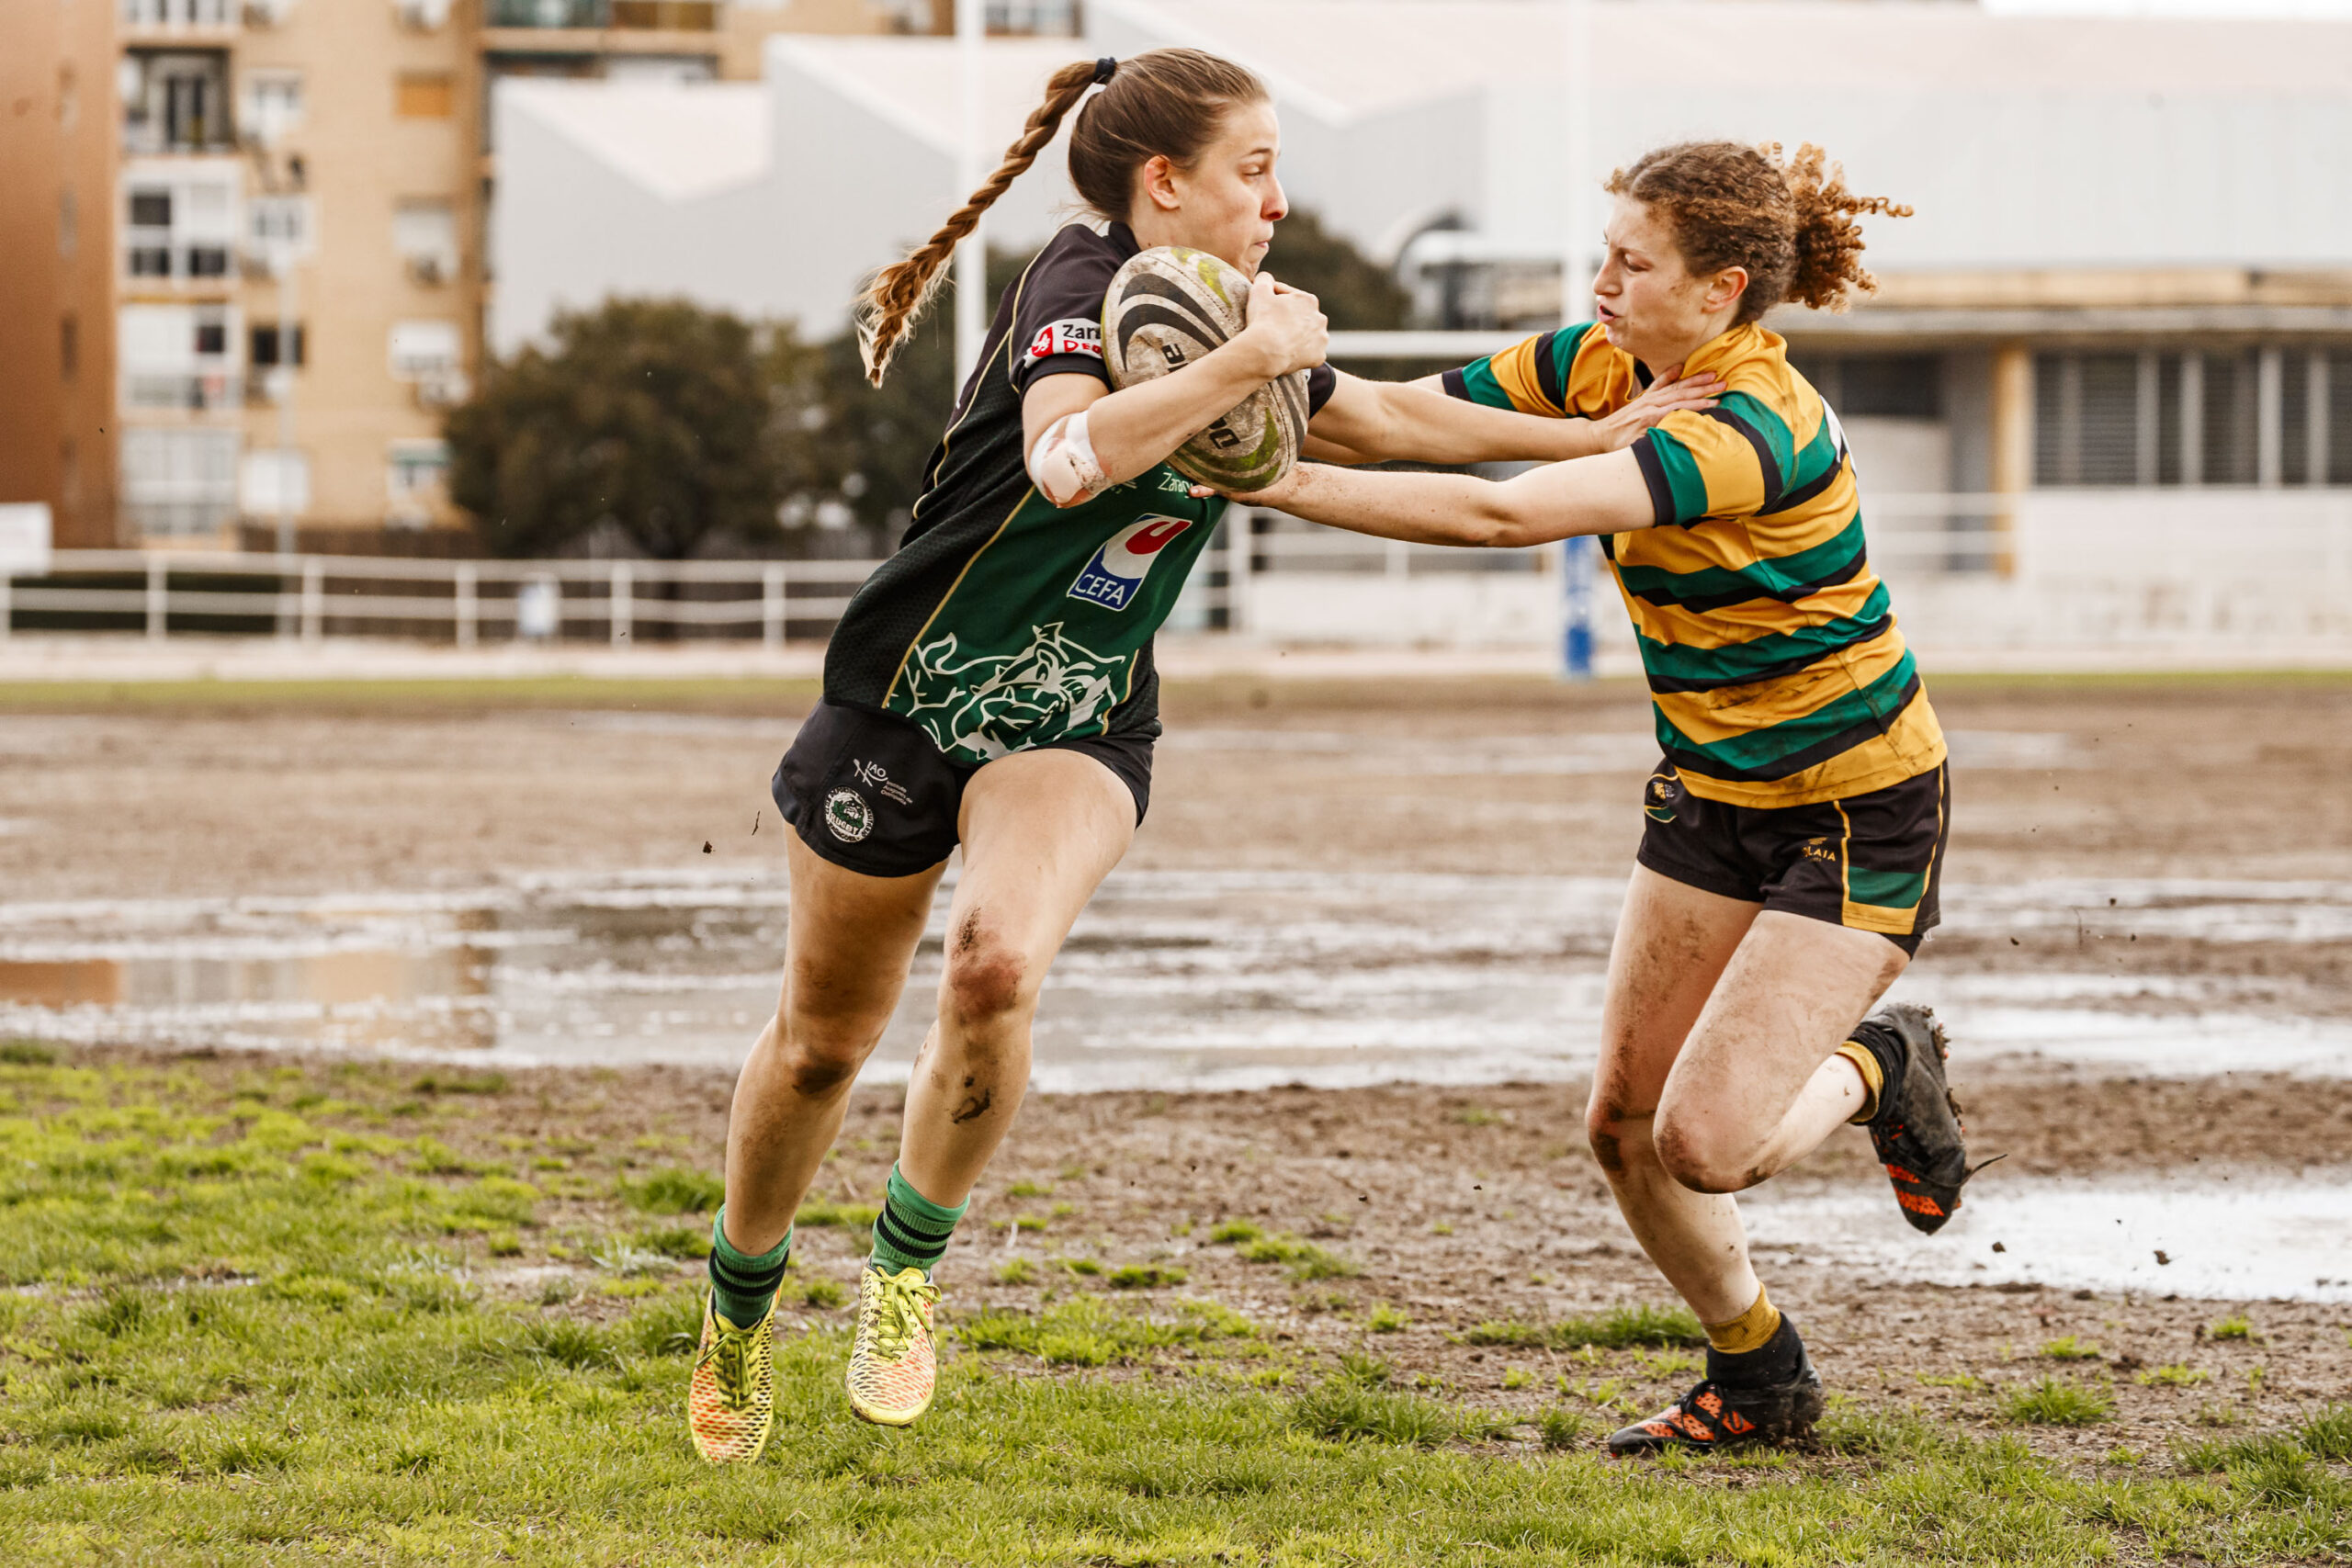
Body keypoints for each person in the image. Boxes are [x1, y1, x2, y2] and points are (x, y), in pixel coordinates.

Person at [686, 50, 1720, 1464]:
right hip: (903, 701)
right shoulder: (1077, 279)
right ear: (1162, 184)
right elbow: (1066, 460)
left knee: (993, 967)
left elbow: (1395, 417)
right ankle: (739, 1309)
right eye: (1254, 169)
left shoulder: (1236, 314)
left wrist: (1594, 428)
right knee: (821, 1048)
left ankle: (904, 1275)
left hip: (1079, 717)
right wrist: (1250, 362)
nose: (1279, 203)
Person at [1207, 141, 1982, 1455]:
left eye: (1633, 264)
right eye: (1603, 252)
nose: (1601, 281)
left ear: (1722, 289)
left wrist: (1260, 479)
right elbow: (1394, 417)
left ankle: (1883, 1063)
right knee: (1621, 1126)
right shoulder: (1602, 364)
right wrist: (1213, 383)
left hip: (1858, 808)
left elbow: (1504, 516)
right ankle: (1761, 1374)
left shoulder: (1751, 427)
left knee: (1705, 1143)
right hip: (1709, 794)